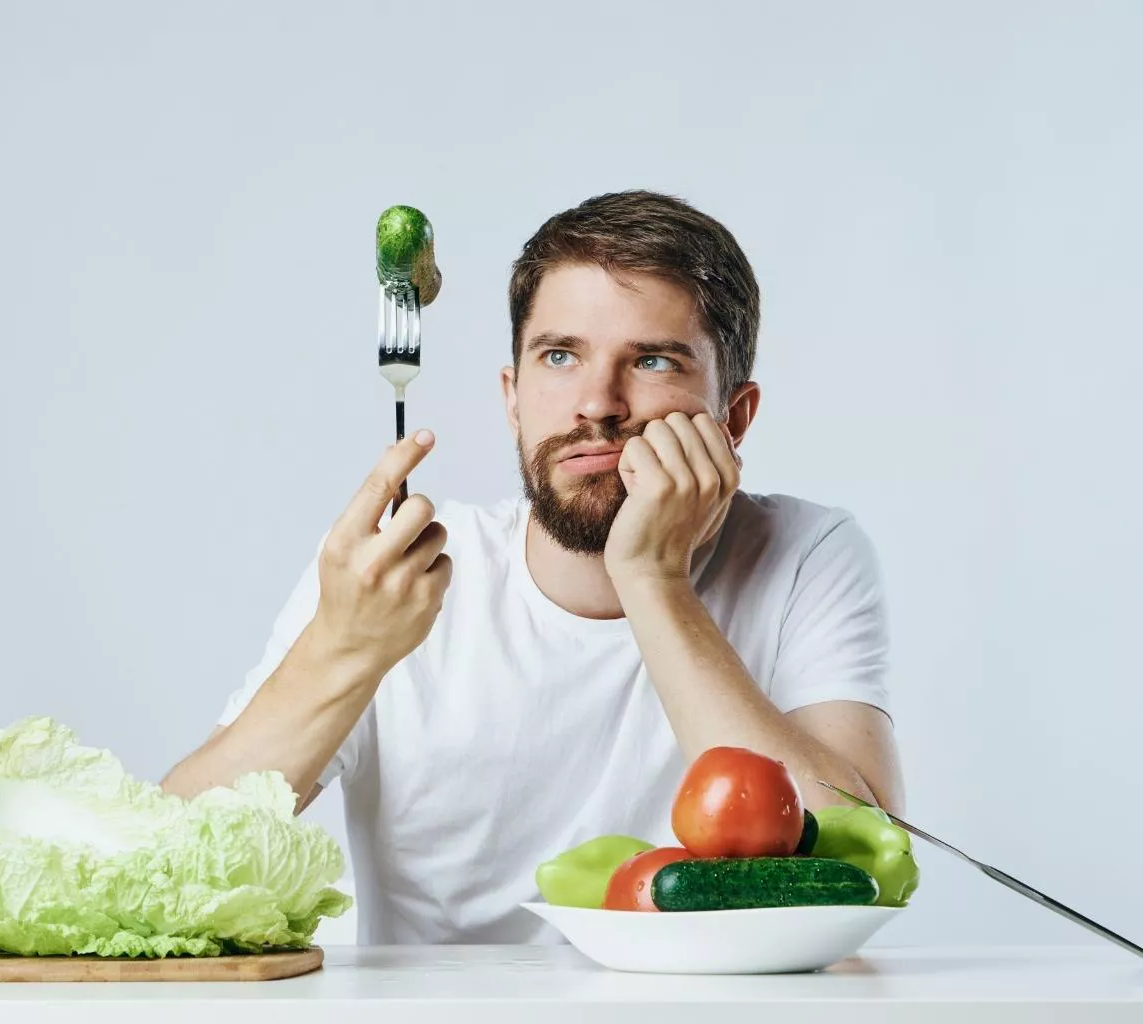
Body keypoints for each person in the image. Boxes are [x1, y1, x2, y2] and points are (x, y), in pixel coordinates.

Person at [162, 190, 905, 944]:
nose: (596, 404)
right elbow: (167, 866)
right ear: (513, 400)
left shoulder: (806, 553)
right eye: (560, 355)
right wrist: (343, 649)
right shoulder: (396, 574)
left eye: (651, 360)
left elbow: (864, 867)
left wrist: (654, 581)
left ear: (734, 418)